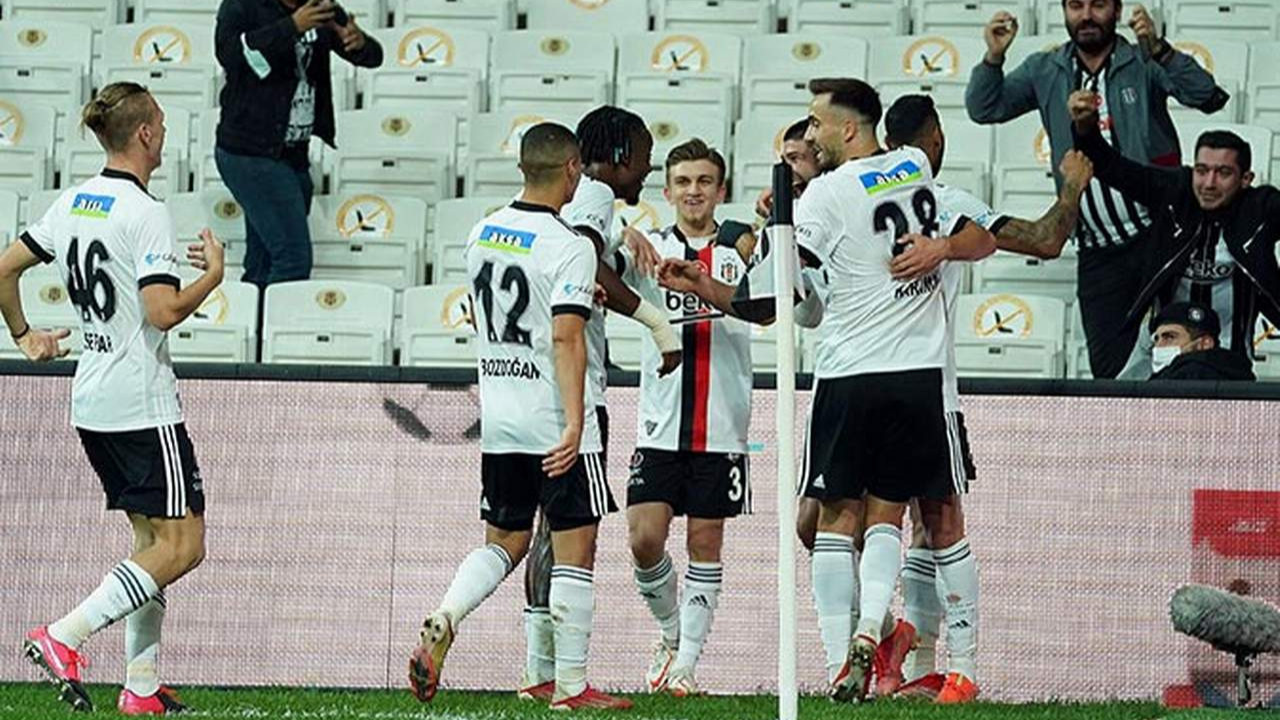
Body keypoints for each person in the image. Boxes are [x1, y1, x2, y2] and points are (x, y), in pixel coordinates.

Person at [0, 82, 223, 716]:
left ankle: (141, 686)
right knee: (183, 546)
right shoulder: (144, 211)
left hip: (93, 400)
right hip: (141, 402)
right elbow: (162, 310)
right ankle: (63, 635)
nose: (165, 130)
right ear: (145, 133)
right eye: (161, 121)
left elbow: (3, 268)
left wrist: (24, 335)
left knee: (150, 543)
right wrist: (212, 276)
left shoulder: (74, 200)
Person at [409, 122, 630, 711]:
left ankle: (447, 613)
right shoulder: (571, 245)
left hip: (501, 417)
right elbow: (565, 337)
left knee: (506, 540)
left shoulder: (482, 232)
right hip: (554, 418)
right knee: (575, 550)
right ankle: (571, 686)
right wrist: (575, 423)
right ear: (573, 170)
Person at [965, 0, 1228, 378]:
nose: (1086, 15)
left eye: (1098, 5)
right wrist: (993, 58)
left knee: (1184, 352)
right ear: (1064, 11)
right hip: (1097, 248)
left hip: (1159, 236)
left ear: (1117, 11)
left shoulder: (1143, 60)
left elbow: (1208, 96)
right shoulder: (1045, 68)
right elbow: (984, 108)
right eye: (1076, 5)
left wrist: (1161, 51)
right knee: (1109, 372)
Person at [516, 105, 681, 703]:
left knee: (543, 531)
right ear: (617, 157)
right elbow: (587, 270)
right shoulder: (595, 195)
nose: (647, 170)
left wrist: (622, 236)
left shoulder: (569, 203)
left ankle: (537, 672)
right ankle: (563, 680)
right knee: (571, 534)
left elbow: (589, 249)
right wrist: (658, 323)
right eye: (643, 158)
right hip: (572, 388)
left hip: (527, 385)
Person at [610, 139, 756, 697]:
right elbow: (592, 260)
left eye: (704, 181)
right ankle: (672, 633)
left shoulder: (741, 248)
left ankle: (686, 667)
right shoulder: (650, 248)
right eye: (683, 182)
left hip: (722, 423)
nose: (694, 191)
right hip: (659, 423)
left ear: (721, 190)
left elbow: (771, 306)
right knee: (644, 539)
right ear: (667, 191)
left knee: (705, 541)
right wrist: (622, 233)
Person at [1068, 90, 1280, 378]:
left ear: (1246, 179)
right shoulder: (1174, 192)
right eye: (1202, 170)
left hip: (1230, 362)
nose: (1209, 183)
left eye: (1223, 173)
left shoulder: (1262, 207)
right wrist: (1085, 128)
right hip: (1165, 358)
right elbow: (1113, 167)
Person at [214, 0, 382, 289]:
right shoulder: (242, 5)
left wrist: (359, 43)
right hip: (249, 152)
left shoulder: (320, 7)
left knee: (263, 262)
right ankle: (279, 319)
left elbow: (373, 56)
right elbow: (229, 55)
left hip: (294, 155)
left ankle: (256, 316)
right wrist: (291, 27)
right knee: (292, 259)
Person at [1147, 302, 1254, 380]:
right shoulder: (1236, 376)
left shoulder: (1190, 375)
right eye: (1156, 339)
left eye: (1170, 337)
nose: (1158, 346)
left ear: (1204, 344)